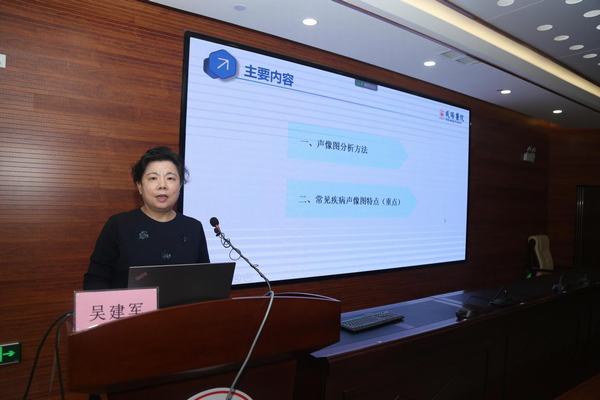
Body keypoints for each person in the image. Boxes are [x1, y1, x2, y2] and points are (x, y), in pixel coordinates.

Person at [83, 146, 210, 290]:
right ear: (140, 186)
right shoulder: (119, 225)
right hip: (131, 305)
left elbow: (205, 281)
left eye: (170, 178)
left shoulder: (194, 228)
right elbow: (96, 280)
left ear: (180, 185)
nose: (162, 185)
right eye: (153, 178)